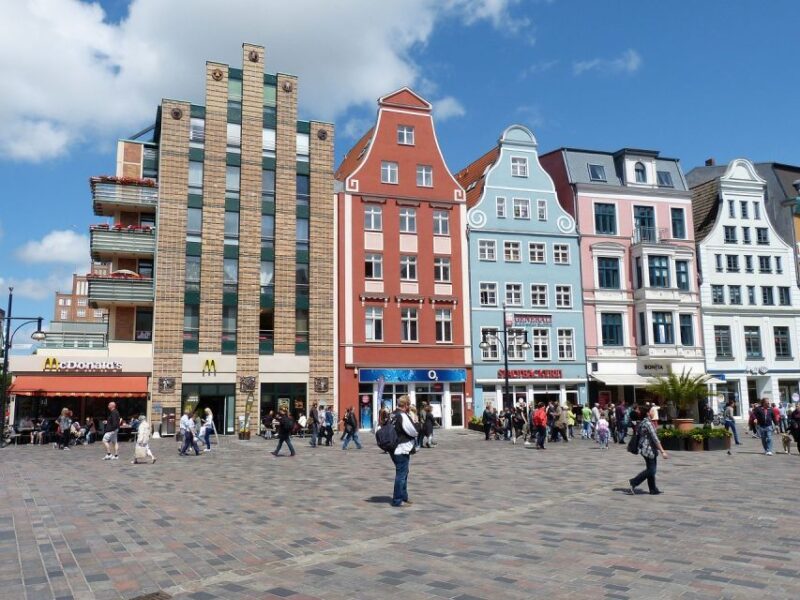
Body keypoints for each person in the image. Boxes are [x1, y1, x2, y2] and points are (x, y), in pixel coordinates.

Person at [628, 410, 669, 495]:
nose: (654, 412)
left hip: (646, 449)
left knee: (651, 469)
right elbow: (655, 438)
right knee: (651, 470)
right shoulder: (648, 423)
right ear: (648, 413)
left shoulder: (643, 422)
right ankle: (634, 481)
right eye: (652, 411)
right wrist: (662, 451)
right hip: (648, 449)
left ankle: (653, 489)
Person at [389, 395, 418, 507]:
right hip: (401, 448)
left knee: (404, 473)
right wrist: (416, 422)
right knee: (401, 475)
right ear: (406, 405)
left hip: (393, 448)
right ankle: (397, 500)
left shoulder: (393, 414)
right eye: (408, 405)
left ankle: (403, 497)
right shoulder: (402, 415)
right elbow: (413, 431)